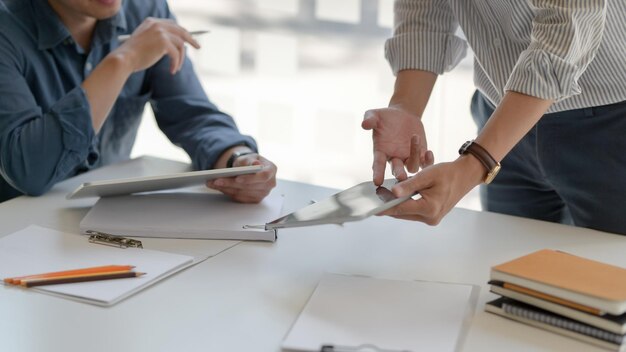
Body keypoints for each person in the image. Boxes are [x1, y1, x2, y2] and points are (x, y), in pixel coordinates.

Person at [362, 1, 626, 235]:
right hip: (500, 125)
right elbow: (425, 7)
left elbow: (569, 26)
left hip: (610, 123)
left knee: (613, 277)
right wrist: (405, 106)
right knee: (507, 272)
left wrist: (476, 163)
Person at [0, 0, 277, 204]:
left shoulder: (145, 11)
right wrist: (123, 61)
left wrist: (238, 161)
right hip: (16, 231)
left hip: (103, 218)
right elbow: (30, 172)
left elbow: (190, 112)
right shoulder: (6, 29)